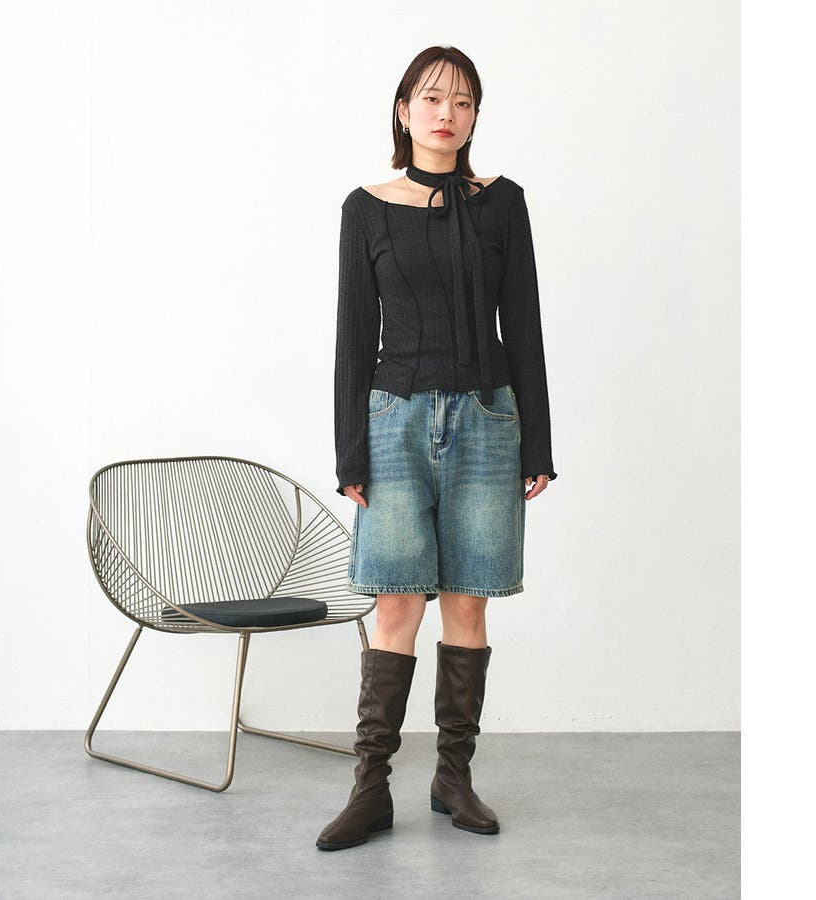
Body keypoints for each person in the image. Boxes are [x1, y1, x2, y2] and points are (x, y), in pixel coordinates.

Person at [317, 46, 558, 851]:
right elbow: (355, 337)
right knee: (395, 602)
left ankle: (454, 777)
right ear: (403, 110)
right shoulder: (366, 207)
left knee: (467, 600)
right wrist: (351, 452)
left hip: (488, 421)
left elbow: (524, 325)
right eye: (430, 98)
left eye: (461, 101)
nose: (445, 113)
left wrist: (538, 443)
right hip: (395, 424)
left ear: (476, 114)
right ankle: (370, 789)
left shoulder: (503, 203)